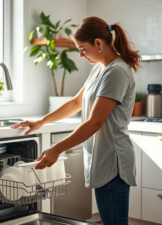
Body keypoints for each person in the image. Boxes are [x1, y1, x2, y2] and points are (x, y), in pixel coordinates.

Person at [11, 16, 141, 225]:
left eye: (82, 48)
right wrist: (41, 121)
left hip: (112, 162)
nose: (81, 55)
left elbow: (95, 122)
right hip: (103, 158)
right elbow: (75, 102)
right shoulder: (99, 68)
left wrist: (56, 149)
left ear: (98, 43)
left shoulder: (116, 71)